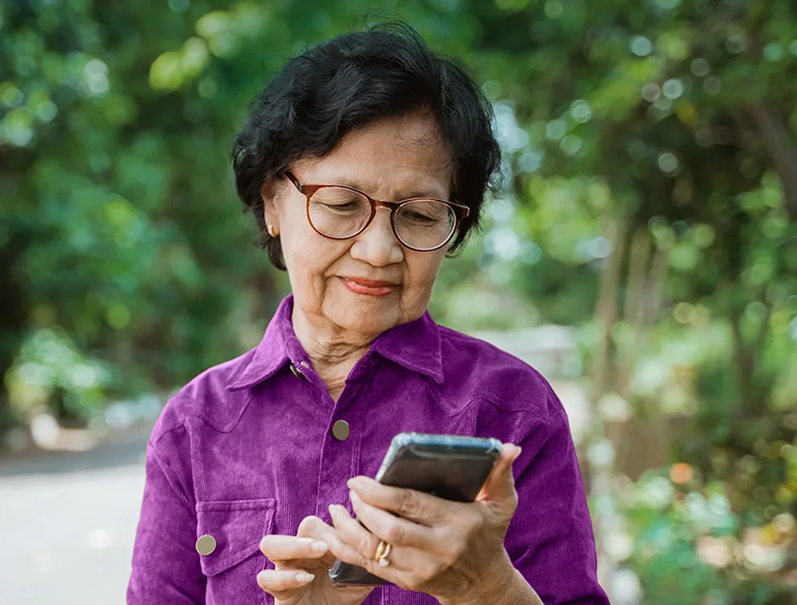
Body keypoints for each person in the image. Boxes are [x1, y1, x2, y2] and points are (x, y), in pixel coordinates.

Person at [127, 23, 610, 605]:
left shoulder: (512, 411)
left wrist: (489, 588)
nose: (379, 251)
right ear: (271, 201)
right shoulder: (195, 427)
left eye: (419, 215)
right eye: (340, 204)